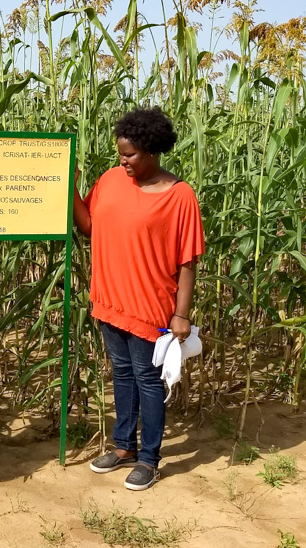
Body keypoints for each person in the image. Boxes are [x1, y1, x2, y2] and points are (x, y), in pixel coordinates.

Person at [72, 107, 204, 491]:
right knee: (123, 374)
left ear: (151, 150)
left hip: (150, 305)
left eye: (129, 154)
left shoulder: (179, 195)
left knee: (148, 379)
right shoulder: (112, 180)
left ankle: (149, 459)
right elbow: (90, 228)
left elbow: (188, 261)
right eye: (120, 154)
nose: (122, 161)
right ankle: (124, 447)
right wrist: (69, 191)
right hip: (110, 297)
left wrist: (181, 315)